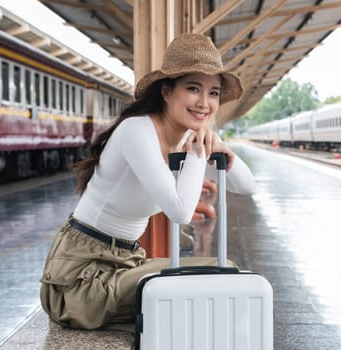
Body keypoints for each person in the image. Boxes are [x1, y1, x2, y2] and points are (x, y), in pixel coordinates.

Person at [39, 33, 255, 330]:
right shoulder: (136, 131)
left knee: (225, 274)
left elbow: (247, 186)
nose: (205, 103)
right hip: (80, 280)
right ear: (166, 91)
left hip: (126, 264)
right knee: (216, 285)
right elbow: (179, 212)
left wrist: (221, 149)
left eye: (214, 93)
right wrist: (198, 150)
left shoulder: (184, 138)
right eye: (193, 88)